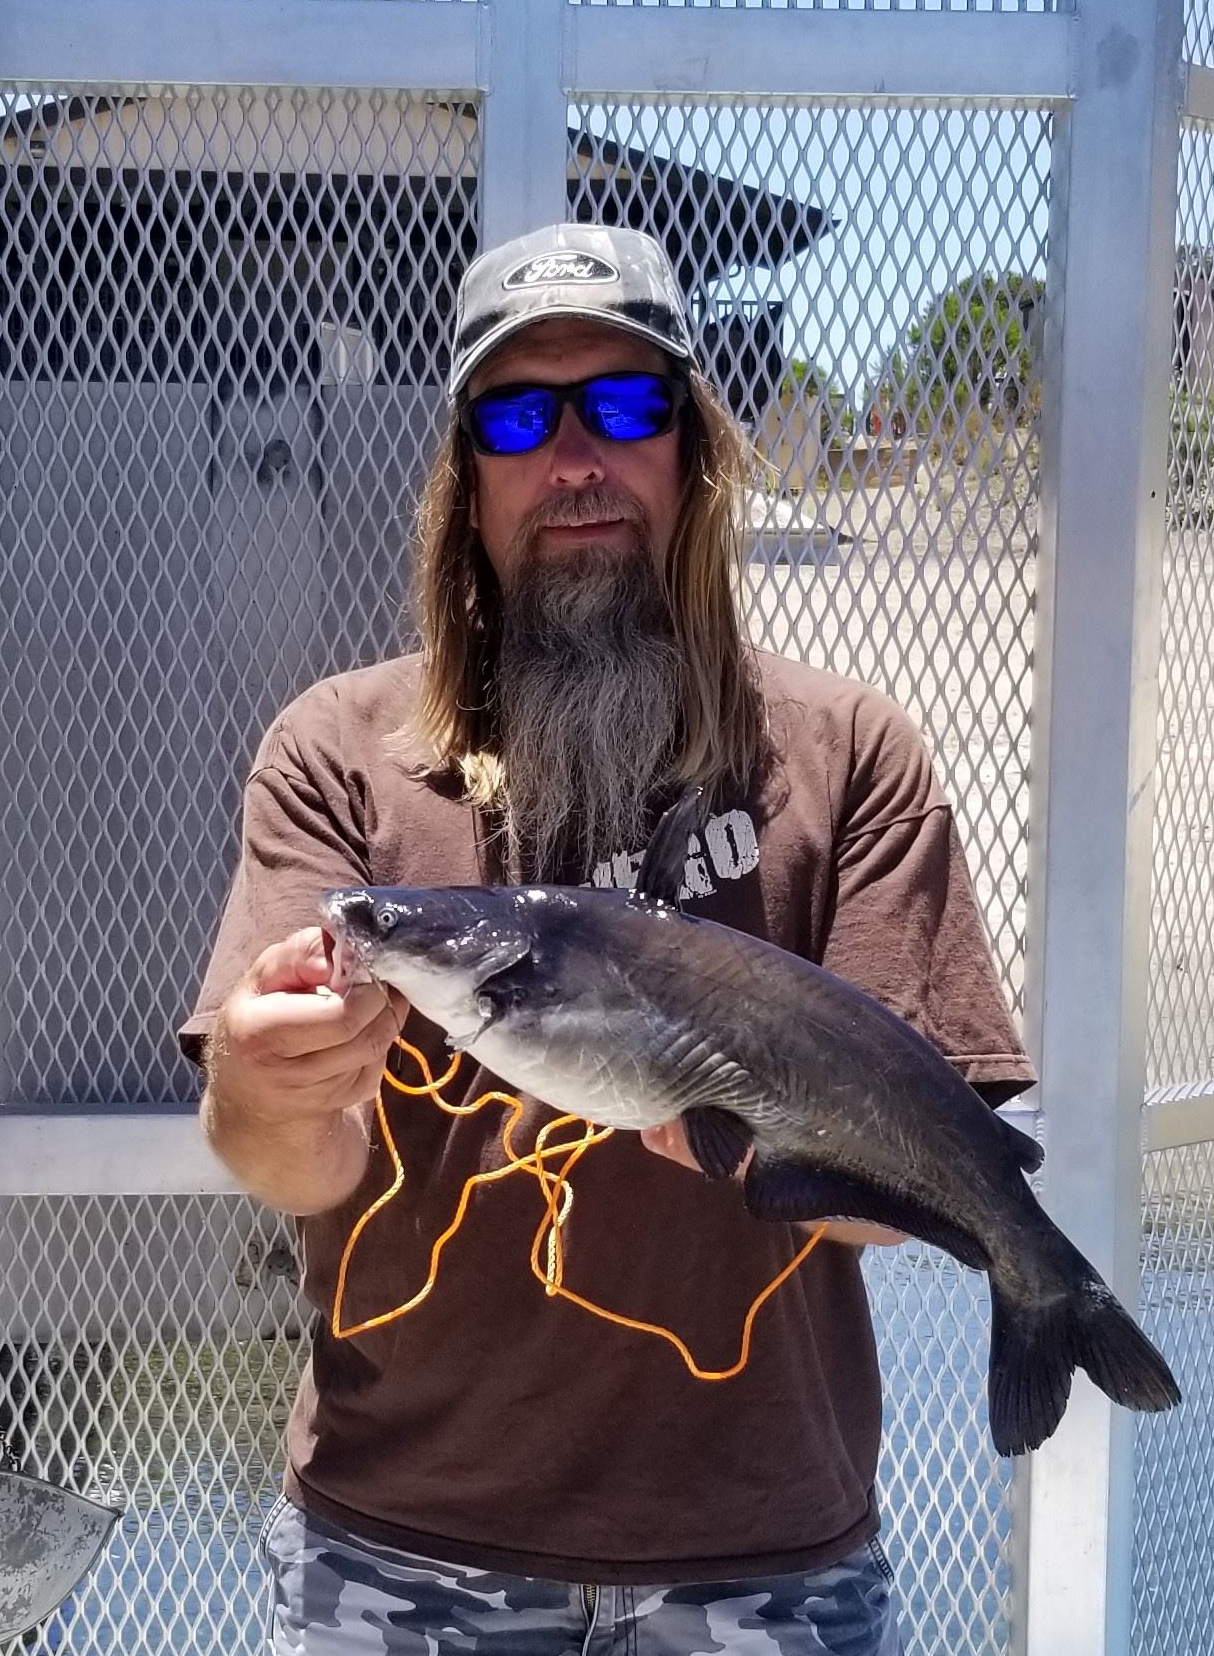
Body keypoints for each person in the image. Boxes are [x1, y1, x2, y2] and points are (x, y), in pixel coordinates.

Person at [182, 221, 1036, 1655]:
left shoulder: (848, 753)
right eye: (519, 417)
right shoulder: (338, 750)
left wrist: (798, 1145)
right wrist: (265, 1089)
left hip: (765, 1560)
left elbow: (882, 1194)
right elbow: (293, 1167)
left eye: (626, 406)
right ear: (468, 483)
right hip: (397, 1561)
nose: (576, 460)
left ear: (693, 454)